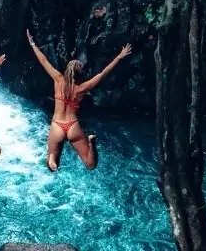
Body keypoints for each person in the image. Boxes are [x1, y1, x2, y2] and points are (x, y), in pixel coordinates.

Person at [26, 29, 132, 171]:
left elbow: (43, 60)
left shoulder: (58, 80)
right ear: (79, 73)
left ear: (68, 70)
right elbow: (103, 73)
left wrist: (32, 43)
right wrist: (119, 57)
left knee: (51, 163)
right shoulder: (82, 88)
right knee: (90, 164)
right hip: (72, 126)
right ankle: (90, 143)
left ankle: (51, 158)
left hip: (57, 124)